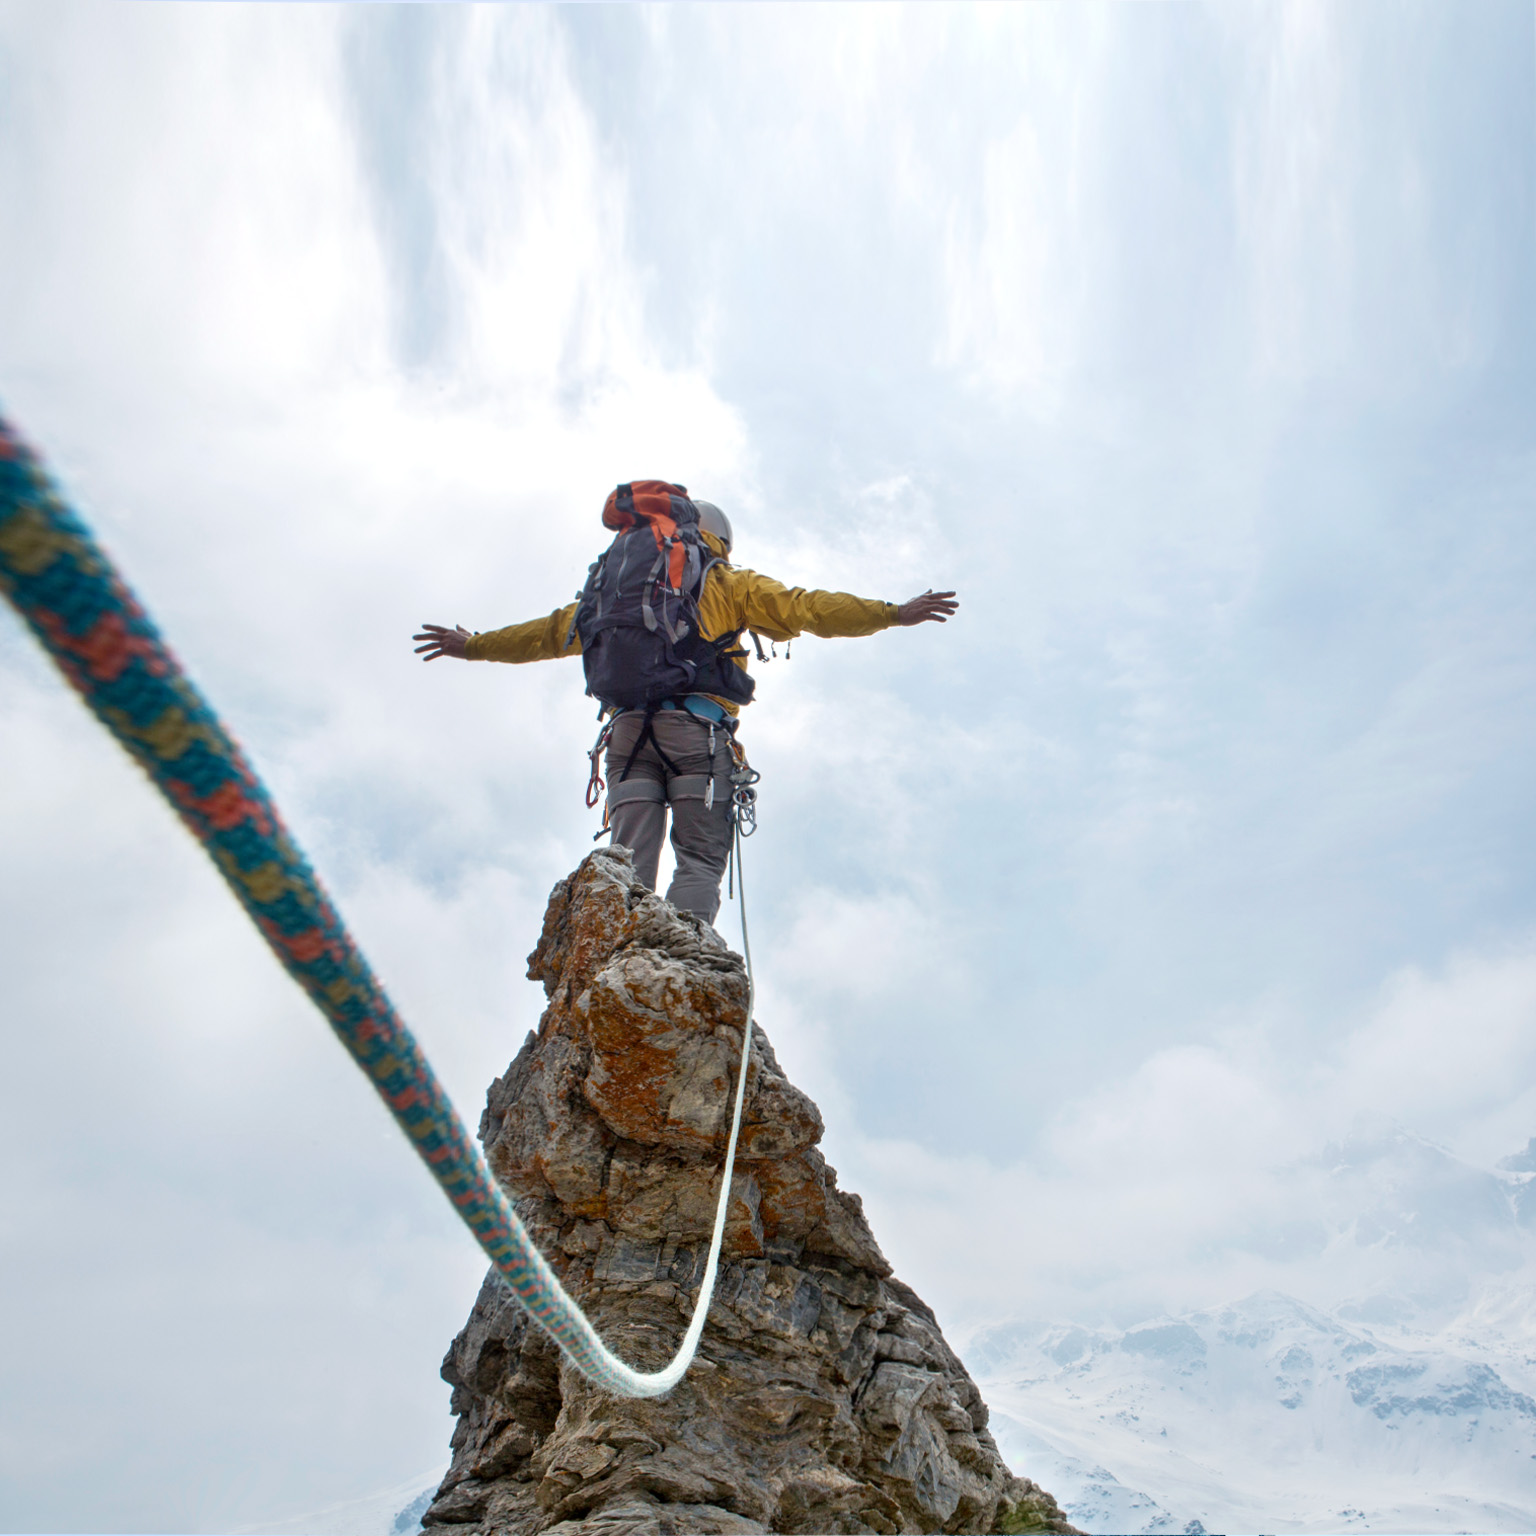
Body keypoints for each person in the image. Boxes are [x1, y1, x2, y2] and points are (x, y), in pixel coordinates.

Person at [414, 495, 957, 923]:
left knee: (627, 858)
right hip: (696, 734)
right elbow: (807, 608)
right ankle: (680, 954)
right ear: (719, 540)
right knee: (698, 859)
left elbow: (544, 634)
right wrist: (891, 613)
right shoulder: (725, 582)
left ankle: (614, 948)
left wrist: (475, 645)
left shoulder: (614, 595)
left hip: (625, 737)